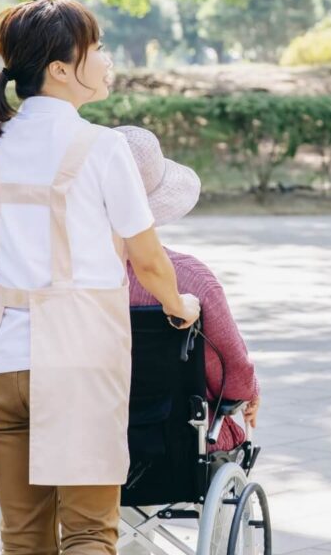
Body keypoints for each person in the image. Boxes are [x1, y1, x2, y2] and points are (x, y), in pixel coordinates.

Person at [0, 0, 202, 555]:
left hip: (2, 364)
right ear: (61, 69)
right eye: (97, 49)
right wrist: (179, 305)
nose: (106, 60)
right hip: (81, 361)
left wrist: (20, 288)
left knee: (24, 537)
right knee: (87, 532)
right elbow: (149, 260)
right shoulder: (103, 147)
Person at [117, 125, 260, 450]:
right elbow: (232, 375)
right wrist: (250, 392)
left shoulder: (65, 279)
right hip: (173, 440)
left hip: (84, 435)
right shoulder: (191, 279)